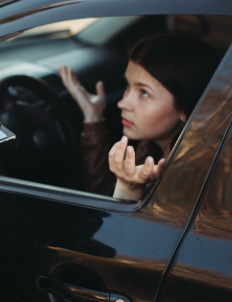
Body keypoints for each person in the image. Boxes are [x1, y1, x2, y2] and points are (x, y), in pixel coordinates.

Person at [59, 32, 219, 201]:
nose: (123, 103)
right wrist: (93, 116)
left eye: (144, 93)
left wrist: (129, 191)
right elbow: (103, 195)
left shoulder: (187, 186)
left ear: (185, 109)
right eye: (129, 86)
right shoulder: (150, 146)